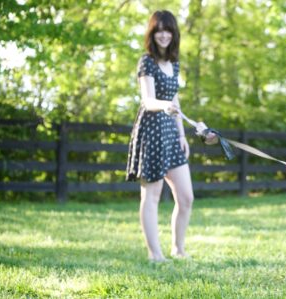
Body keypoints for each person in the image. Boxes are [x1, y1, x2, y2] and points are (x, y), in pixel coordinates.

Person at [126, 10, 215, 261]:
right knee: (151, 196)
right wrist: (164, 105)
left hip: (171, 135)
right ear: (152, 33)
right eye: (158, 30)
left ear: (173, 33)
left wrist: (182, 135)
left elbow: (174, 98)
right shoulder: (146, 61)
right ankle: (155, 253)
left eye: (168, 30)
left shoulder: (174, 64)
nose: (163, 35)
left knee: (186, 197)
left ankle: (178, 248)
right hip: (152, 131)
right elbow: (148, 100)